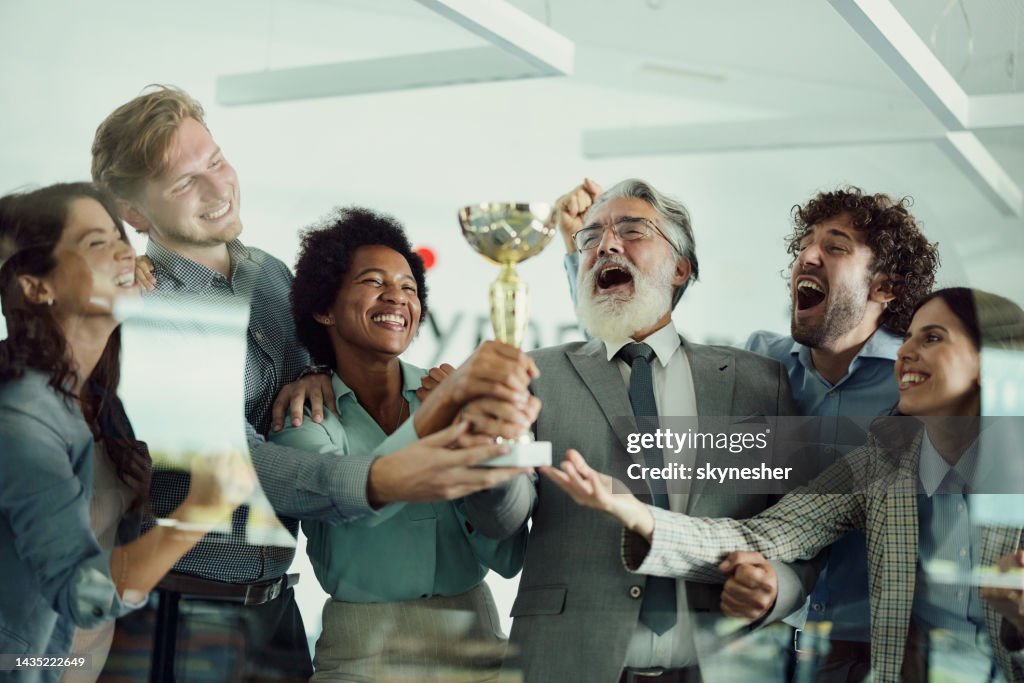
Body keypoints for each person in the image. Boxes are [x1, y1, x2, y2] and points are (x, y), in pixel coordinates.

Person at [91, 85, 533, 680]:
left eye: (216, 161)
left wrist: (312, 370)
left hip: (276, 605)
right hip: (186, 607)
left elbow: (312, 367)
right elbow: (237, 468)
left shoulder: (270, 275)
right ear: (137, 215)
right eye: (184, 183)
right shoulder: (145, 308)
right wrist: (390, 468)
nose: (218, 187)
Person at [553, 179, 940, 679]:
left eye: (834, 248)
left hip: (886, 654)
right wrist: (579, 256)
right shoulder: (764, 363)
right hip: (769, 647)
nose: (809, 257)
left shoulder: (916, 390)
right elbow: (629, 368)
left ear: (885, 286)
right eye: (803, 247)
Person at [546, 287, 1024, 682]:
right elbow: (762, 535)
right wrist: (639, 515)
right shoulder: (883, 464)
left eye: (933, 338)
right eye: (909, 338)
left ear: (991, 360)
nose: (905, 351)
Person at [459, 178, 817, 682]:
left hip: (723, 665)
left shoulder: (758, 382)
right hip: (569, 664)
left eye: (632, 231)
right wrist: (494, 448)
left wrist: (777, 586)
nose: (605, 244)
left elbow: (801, 530)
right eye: (589, 238)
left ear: (681, 267)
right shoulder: (536, 376)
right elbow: (502, 521)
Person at [0, 183, 249, 683]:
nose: (124, 252)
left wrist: (139, 499)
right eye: (96, 243)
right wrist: (198, 510)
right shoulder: (23, 421)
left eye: (120, 238)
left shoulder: (98, 405)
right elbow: (84, 597)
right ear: (35, 286)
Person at [269, 207, 530, 680]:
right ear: (324, 307)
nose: (397, 297)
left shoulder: (450, 396)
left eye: (409, 287)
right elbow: (346, 502)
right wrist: (430, 423)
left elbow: (508, 555)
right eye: (374, 282)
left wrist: (482, 440)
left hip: (480, 644)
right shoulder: (301, 415)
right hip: (362, 655)